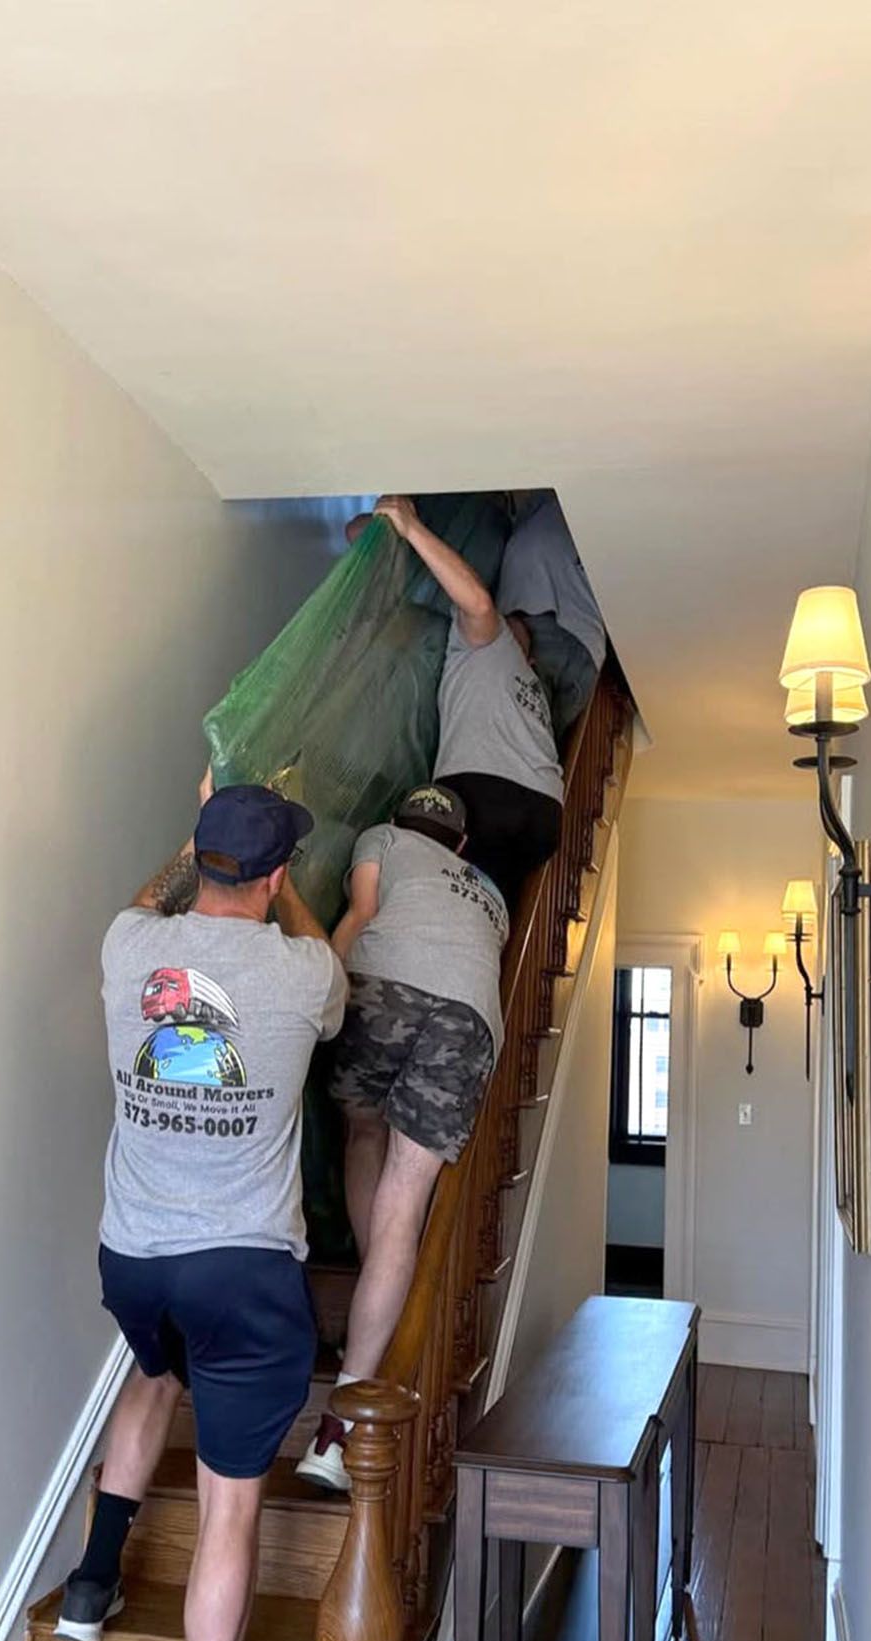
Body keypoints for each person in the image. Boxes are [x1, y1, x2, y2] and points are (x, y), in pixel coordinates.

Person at [56, 776, 345, 1641]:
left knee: (152, 1372)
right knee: (228, 1510)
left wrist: (193, 841)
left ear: (197, 859)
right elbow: (322, 967)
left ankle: (90, 1588)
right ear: (274, 876)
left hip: (134, 1259)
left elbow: (150, 897)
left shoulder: (129, 944)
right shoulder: (303, 970)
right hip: (242, 1276)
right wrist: (291, 891)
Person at [298, 783, 508, 1492]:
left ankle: (373, 1295)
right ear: (462, 845)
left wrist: (318, 997)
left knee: (363, 1130)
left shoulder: (382, 840)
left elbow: (360, 916)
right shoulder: (489, 892)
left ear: (400, 820)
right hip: (468, 1019)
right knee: (407, 1193)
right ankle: (339, 1430)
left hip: (382, 988)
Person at [371, 494, 564, 906]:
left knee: (436, 896)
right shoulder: (528, 685)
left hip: (486, 795)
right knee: (474, 907)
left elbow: (477, 603)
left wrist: (410, 527)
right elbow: (356, 531)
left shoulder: (492, 644)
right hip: (541, 812)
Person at [497, 488, 608, 740]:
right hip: (562, 628)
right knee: (528, 734)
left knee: (527, 733)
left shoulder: (542, 514)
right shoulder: (550, 514)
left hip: (562, 631)